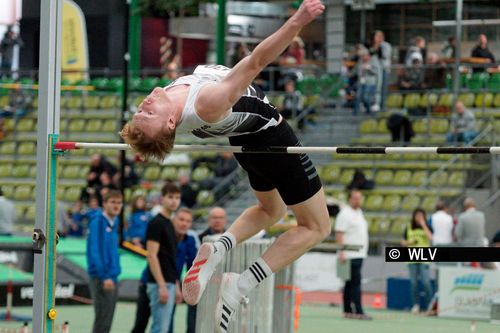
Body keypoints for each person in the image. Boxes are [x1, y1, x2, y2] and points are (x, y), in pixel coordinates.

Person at [119, 2, 329, 331]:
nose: (143, 106)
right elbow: (257, 60)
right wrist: (298, 21)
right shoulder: (207, 104)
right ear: (172, 122)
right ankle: (240, 286)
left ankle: (220, 246)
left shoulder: (170, 102)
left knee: (270, 211)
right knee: (317, 227)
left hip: (245, 143)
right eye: (147, 114)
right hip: (270, 136)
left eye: (140, 113)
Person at [145, 183, 181, 333]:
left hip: (169, 282)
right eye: (170, 197)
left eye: (177, 198)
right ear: (162, 199)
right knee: (160, 329)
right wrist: (162, 286)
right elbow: (152, 255)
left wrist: (176, 285)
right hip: (160, 284)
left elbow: (170, 258)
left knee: (163, 329)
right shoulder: (156, 223)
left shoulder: (170, 223)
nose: (174, 201)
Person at [86, 190, 123, 333]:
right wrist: (105, 276)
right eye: (113, 202)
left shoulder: (114, 222)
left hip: (112, 276)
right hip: (101, 277)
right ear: (105, 204)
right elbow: (96, 251)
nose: (116, 206)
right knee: (102, 319)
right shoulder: (97, 222)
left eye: (119, 203)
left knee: (107, 320)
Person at [335, 190, 371, 320]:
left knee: (350, 284)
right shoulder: (345, 214)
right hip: (350, 254)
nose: (358, 201)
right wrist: (342, 252)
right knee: (355, 283)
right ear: (349, 199)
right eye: (355, 198)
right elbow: (339, 234)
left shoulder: (359, 212)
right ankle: (358, 310)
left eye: (359, 198)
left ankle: (347, 310)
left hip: (359, 253)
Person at [169, 208, 198, 333]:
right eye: (181, 219)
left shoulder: (189, 240)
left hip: (172, 282)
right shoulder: (166, 237)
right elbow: (165, 265)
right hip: (157, 282)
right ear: (173, 220)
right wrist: (176, 286)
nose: (184, 223)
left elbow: (192, 265)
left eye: (188, 221)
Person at [401, 208, 433, 314]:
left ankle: (430, 306)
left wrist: (424, 225)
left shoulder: (427, 226)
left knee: (426, 282)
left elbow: (431, 238)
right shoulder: (409, 227)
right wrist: (409, 242)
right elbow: (403, 242)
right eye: (417, 216)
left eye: (421, 216)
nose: (419, 218)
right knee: (413, 283)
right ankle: (416, 305)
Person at [353, 46, 380, 115]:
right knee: (358, 96)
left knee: (366, 97)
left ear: (367, 55)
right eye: (362, 56)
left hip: (370, 83)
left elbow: (376, 72)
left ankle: (368, 111)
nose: (362, 58)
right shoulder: (360, 61)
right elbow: (357, 71)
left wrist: (369, 68)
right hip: (361, 82)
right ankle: (355, 113)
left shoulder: (374, 60)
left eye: (364, 56)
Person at [370, 30, 392, 111]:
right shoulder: (373, 46)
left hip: (384, 69)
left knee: (383, 88)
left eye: (377, 36)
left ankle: (383, 106)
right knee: (376, 87)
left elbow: (385, 56)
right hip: (376, 70)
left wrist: (379, 48)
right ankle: (376, 103)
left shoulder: (385, 45)